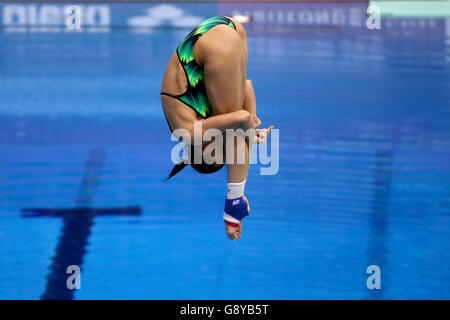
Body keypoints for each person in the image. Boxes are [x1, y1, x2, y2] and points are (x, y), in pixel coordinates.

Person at [160, 16, 273, 240]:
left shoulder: (188, 132)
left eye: (218, 152)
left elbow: (240, 119)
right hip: (225, 27)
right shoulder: (199, 124)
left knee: (235, 129)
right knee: (235, 126)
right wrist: (250, 126)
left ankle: (234, 204)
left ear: (202, 151)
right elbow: (247, 88)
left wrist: (248, 130)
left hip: (217, 43)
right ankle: (235, 201)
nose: (221, 146)